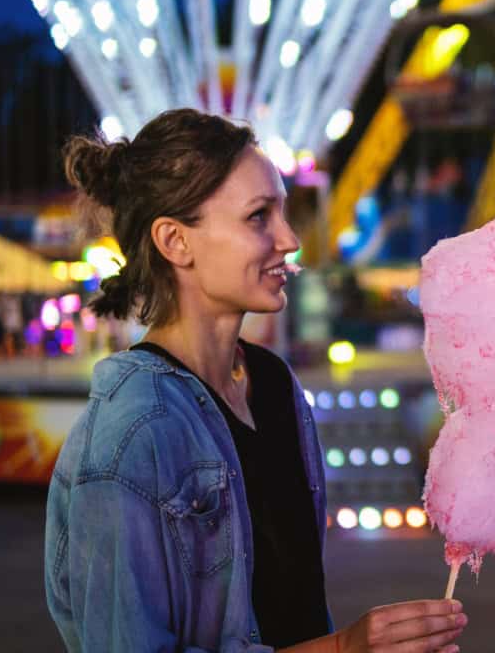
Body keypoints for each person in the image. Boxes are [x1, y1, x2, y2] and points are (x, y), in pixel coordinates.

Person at [45, 109, 467, 653]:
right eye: (258, 217)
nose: (289, 239)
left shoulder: (273, 384)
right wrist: (343, 650)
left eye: (283, 213)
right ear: (175, 241)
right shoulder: (134, 431)